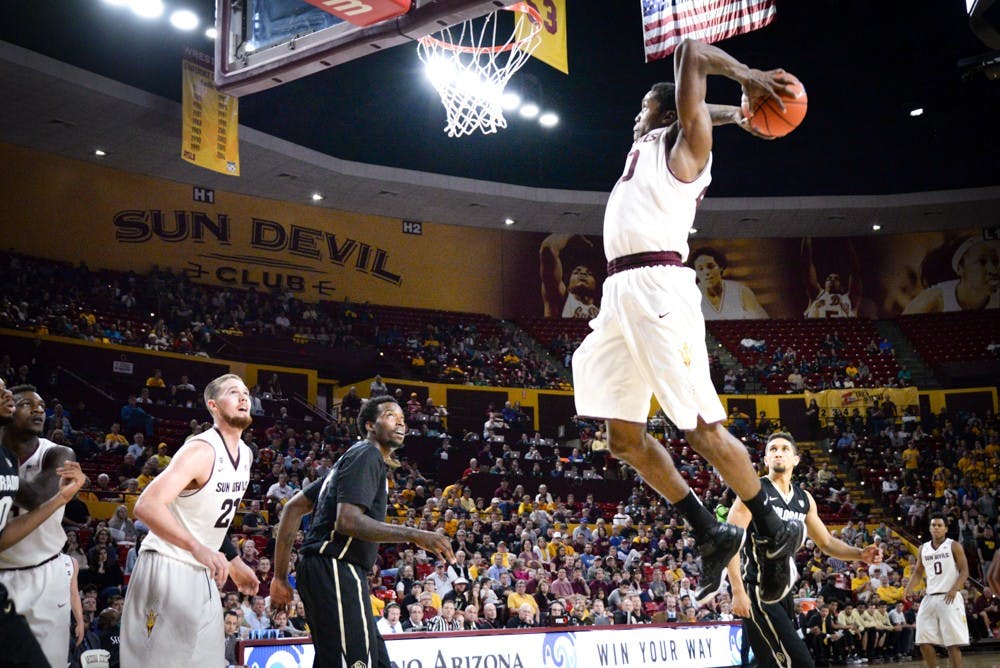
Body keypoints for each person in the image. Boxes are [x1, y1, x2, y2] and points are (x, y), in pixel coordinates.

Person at [570, 37, 805, 606]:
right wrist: (741, 113)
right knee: (621, 437)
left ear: (672, 111)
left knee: (698, 426)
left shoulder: (686, 151)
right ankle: (709, 529)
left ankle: (775, 528)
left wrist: (747, 77)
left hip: (659, 287)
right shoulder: (650, 145)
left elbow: (692, 54)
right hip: (618, 293)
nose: (634, 117)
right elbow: (695, 108)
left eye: (645, 109)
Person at [269, 396, 453, 667]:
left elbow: (293, 508)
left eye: (402, 417)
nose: (401, 421)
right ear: (370, 424)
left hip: (329, 570)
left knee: (373, 661)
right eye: (391, 415)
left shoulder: (351, 460)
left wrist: (280, 577)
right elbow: (348, 521)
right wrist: (416, 535)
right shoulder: (367, 454)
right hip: (335, 566)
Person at [121, 373, 260, 666]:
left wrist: (234, 563)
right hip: (167, 563)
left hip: (202, 572)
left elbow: (208, 521)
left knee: (206, 661)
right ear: (213, 405)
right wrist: (197, 547)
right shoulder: (200, 450)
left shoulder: (246, 455)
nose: (244, 397)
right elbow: (146, 505)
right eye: (234, 392)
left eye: (246, 392)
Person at [726, 432, 879, 668]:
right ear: (765, 459)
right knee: (799, 661)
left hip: (785, 591)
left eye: (785, 449)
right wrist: (737, 590)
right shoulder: (753, 492)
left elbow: (826, 542)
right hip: (758, 589)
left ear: (796, 459)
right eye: (773, 449)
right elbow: (731, 542)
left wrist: (860, 554)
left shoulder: (804, 499)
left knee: (771, 662)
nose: (778, 452)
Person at [0, 378, 87, 667]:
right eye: (27, 405)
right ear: (8, 408)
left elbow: (37, 497)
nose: (38, 411)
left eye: (42, 406)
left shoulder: (57, 453)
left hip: (42, 574)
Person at [903, 513, 970, 668]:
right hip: (930, 597)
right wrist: (907, 589)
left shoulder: (954, 545)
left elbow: (964, 571)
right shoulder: (923, 548)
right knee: (923, 640)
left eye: (939, 525)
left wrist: (954, 589)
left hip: (949, 596)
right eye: (933, 525)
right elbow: (918, 572)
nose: (936, 528)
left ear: (946, 528)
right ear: (929, 528)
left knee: (952, 643)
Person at [903, 236, 999, 313]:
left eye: (995, 261)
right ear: (960, 268)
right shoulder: (933, 298)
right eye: (982, 262)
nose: (994, 270)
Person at [689, 246, 768, 320]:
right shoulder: (691, 296)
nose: (706, 272)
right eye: (700, 269)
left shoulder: (740, 292)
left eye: (710, 266)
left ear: (721, 267)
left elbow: (762, 323)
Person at [540, 233, 601, 318]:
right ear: (568, 284)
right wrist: (572, 231)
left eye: (589, 273)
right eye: (576, 272)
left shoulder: (603, 311)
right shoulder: (560, 298)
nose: (583, 274)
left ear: (595, 285)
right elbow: (548, 248)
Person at [802, 237, 863, 318]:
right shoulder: (817, 294)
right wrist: (807, 237)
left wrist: (847, 239)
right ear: (824, 284)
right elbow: (807, 265)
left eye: (836, 279)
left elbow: (855, 272)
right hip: (819, 330)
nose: (832, 280)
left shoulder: (849, 298)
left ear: (842, 286)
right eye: (829, 279)